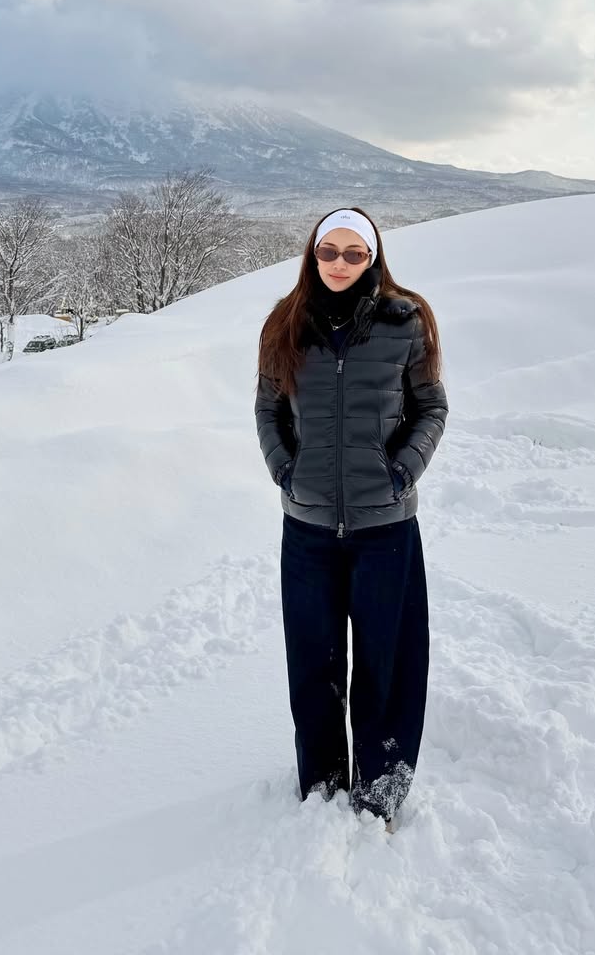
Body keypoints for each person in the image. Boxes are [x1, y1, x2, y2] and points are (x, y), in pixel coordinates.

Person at [255, 206, 448, 832]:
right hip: (307, 527)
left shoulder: (405, 321)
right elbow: (267, 412)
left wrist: (401, 472)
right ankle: (322, 782)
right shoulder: (284, 324)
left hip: (385, 528)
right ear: (312, 254)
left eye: (353, 254)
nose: (339, 264)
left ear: (373, 258)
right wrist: (288, 471)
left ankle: (383, 787)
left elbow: (431, 408)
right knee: (312, 661)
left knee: (387, 662)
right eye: (328, 251)